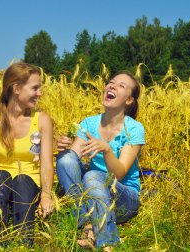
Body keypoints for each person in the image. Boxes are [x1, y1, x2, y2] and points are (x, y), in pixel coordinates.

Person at [56, 71, 145, 250]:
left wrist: (107, 149)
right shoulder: (89, 123)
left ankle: (107, 240)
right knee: (65, 159)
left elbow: (119, 174)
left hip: (124, 199)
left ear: (129, 100)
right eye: (111, 82)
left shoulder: (134, 129)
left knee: (93, 176)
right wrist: (65, 148)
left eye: (121, 86)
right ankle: (87, 222)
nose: (112, 86)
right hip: (93, 193)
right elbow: (73, 160)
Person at [0, 62, 54, 247]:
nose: (40, 93)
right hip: (1, 185)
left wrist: (46, 194)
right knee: (1, 176)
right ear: (17, 88)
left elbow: (46, 164)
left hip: (30, 185)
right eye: (35, 88)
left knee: (21, 180)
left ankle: (23, 244)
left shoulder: (41, 121)